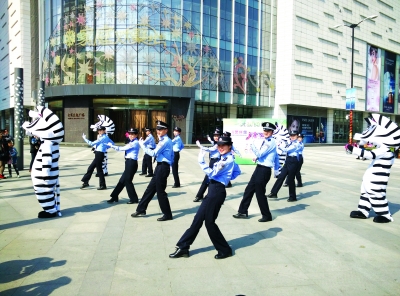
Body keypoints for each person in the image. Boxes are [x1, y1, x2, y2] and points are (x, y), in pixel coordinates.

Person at [169, 135, 241, 259]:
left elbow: (212, 173)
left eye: (223, 145)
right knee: (197, 219)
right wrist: (227, 177)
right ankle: (183, 247)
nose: (220, 147)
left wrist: (201, 161)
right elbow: (237, 172)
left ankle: (225, 249)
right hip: (213, 190)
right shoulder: (226, 158)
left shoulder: (226, 160)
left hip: (217, 191)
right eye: (219, 145)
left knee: (209, 223)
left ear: (229, 146)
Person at [233, 122, 278, 222]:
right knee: (249, 189)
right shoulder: (266, 141)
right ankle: (243, 211)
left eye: (268, 131)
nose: (265, 132)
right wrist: (257, 157)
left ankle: (267, 215)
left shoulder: (270, 142)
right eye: (264, 130)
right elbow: (265, 156)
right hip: (259, 168)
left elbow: (261, 153)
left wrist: (251, 144)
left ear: (272, 132)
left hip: (264, 170)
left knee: (260, 193)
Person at [131, 120, 174, 221]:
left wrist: (142, 145)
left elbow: (153, 153)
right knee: (150, 189)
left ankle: (167, 214)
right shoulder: (163, 139)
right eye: (157, 129)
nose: (158, 131)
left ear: (166, 130)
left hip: (162, 167)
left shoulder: (165, 141)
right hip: (160, 167)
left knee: (160, 192)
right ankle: (141, 209)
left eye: (161, 129)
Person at [107, 128, 140, 204]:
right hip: (128, 162)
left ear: (136, 135)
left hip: (132, 163)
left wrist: (112, 146)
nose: (131, 136)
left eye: (133, 134)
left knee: (128, 181)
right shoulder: (131, 142)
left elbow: (122, 148)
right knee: (122, 180)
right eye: (130, 134)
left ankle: (134, 199)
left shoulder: (135, 143)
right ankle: (114, 196)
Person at [267, 130, 301, 202]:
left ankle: (292, 197)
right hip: (288, 160)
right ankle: (274, 193)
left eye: (294, 135)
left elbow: (287, 149)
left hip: (293, 161)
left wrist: (279, 146)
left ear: (297, 136)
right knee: (281, 176)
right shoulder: (289, 142)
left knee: (291, 179)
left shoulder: (297, 144)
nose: (292, 137)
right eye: (291, 135)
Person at [194, 128, 222, 202]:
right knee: (209, 179)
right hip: (212, 162)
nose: (216, 137)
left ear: (220, 136)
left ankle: (200, 195)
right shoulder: (216, 143)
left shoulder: (219, 143)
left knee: (209, 179)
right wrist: (210, 140)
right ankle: (201, 195)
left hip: (215, 162)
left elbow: (211, 149)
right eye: (215, 135)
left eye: (217, 135)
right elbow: (213, 144)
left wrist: (200, 146)